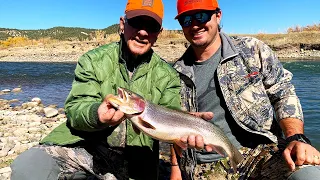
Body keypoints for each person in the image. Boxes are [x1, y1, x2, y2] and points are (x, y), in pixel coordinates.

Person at [10, 0, 182, 179]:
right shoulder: (93, 60)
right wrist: (96, 115)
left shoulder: (168, 75)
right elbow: (76, 109)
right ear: (122, 24)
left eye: (152, 26)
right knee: (28, 167)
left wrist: (185, 138)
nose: (143, 32)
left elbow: (173, 115)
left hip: (137, 160)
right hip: (88, 148)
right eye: (137, 22)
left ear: (159, 33)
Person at [170, 0, 320, 179]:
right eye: (186, 20)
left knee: (308, 174)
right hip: (203, 165)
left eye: (201, 16)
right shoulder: (175, 73)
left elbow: (283, 93)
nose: (194, 25)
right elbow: (172, 124)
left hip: (262, 155)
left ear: (218, 16)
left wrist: (296, 138)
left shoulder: (252, 49)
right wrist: (175, 168)